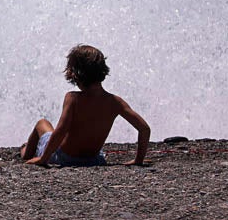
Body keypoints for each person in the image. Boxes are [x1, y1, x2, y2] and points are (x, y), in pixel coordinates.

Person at [21, 44, 150, 168]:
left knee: (42, 123)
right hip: (94, 159)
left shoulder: (72, 98)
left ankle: (26, 152)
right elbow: (144, 129)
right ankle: (29, 149)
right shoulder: (116, 102)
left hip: (64, 157)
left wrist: (43, 159)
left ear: (75, 74)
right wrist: (138, 160)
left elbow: (61, 131)